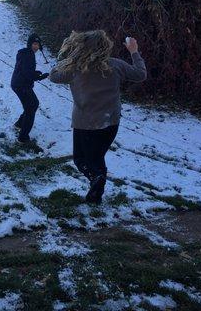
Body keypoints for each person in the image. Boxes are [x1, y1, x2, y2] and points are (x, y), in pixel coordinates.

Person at [49, 31, 146, 204]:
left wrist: (69, 55)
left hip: (85, 123)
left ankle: (97, 178)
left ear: (82, 47)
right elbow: (140, 74)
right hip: (110, 122)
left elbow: (54, 75)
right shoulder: (116, 65)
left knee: (81, 159)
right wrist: (134, 51)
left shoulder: (75, 68)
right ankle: (96, 189)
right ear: (105, 47)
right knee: (97, 157)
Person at [11, 33, 50, 143]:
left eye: (37, 44)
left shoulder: (27, 53)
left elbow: (26, 70)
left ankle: (19, 124)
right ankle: (23, 137)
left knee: (32, 105)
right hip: (21, 85)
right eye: (34, 44)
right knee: (31, 107)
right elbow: (26, 72)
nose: (36, 46)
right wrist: (39, 76)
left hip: (20, 84)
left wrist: (35, 73)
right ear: (29, 44)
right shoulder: (28, 54)